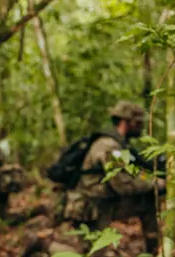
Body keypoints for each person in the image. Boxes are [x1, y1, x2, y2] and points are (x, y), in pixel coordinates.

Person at [62, 101, 163, 254]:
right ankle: (46, 244)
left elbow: (130, 176)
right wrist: (158, 184)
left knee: (147, 201)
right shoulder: (109, 146)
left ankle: (154, 250)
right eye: (137, 122)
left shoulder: (118, 144)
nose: (140, 127)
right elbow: (123, 185)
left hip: (105, 202)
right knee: (92, 253)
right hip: (90, 207)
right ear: (126, 122)